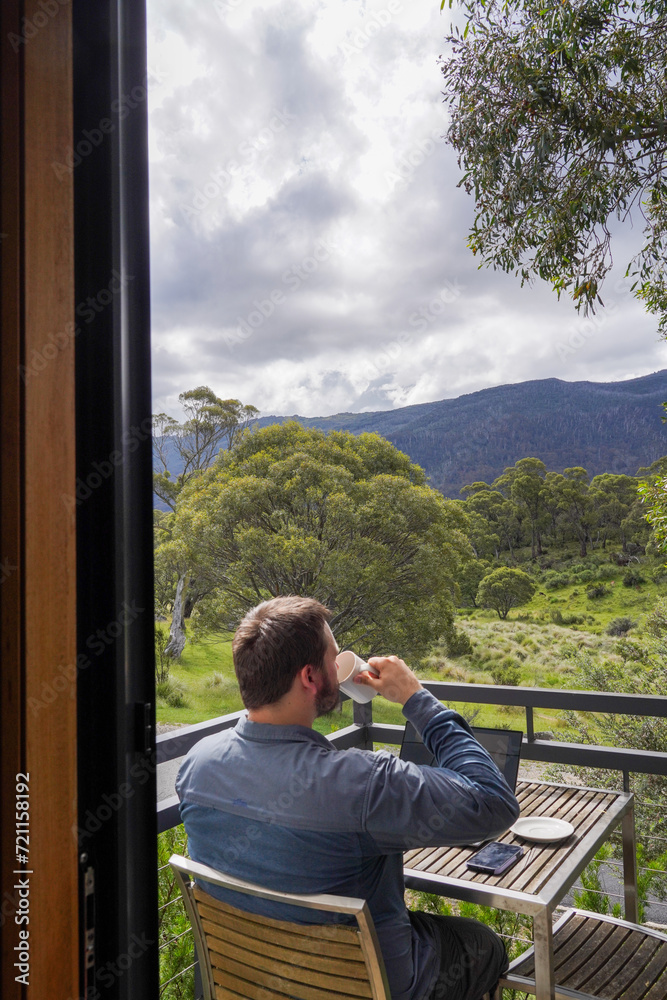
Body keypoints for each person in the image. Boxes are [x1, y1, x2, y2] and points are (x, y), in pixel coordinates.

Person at [176, 596, 520, 1000]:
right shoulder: (362, 783)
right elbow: (494, 802)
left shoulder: (198, 763)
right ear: (309, 677)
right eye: (333, 659)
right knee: (482, 943)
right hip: (367, 986)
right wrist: (415, 697)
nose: (339, 671)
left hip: (248, 978)